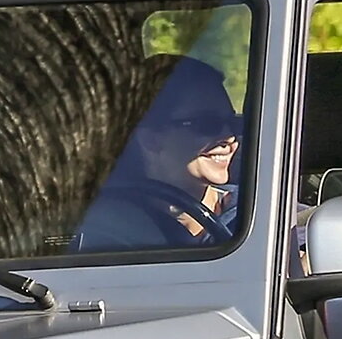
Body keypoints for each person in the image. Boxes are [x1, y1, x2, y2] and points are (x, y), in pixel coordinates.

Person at [77, 55, 241, 249]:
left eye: (233, 123)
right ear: (151, 139)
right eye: (206, 124)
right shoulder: (102, 230)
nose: (228, 137)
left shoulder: (260, 216)